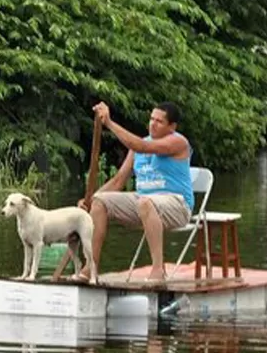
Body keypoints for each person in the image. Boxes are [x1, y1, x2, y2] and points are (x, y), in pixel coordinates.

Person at [71, 101, 194, 283]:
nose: (152, 123)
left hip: (176, 205)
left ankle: (158, 271)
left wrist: (109, 123)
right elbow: (119, 180)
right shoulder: (139, 145)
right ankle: (91, 267)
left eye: (159, 121)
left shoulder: (178, 142)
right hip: (143, 202)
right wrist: (89, 200)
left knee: (145, 202)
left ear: (172, 127)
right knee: (100, 201)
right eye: (151, 119)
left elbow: (141, 147)